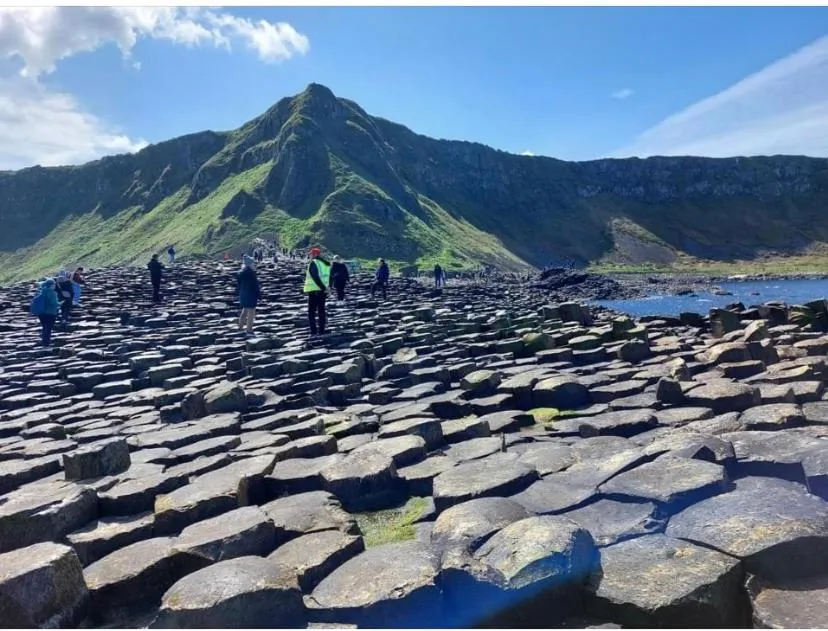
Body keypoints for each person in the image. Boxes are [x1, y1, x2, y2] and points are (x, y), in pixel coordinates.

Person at [304, 246, 331, 337]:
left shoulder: (314, 263)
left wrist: (323, 288)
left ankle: (313, 331)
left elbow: (315, 277)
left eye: (311, 254)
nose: (310, 256)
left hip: (314, 291)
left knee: (311, 312)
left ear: (314, 254)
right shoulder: (326, 264)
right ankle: (322, 330)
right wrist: (328, 288)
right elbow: (330, 277)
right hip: (323, 292)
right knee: (321, 311)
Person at [30, 278, 60, 347]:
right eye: (54, 284)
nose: (55, 285)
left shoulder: (41, 291)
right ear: (51, 285)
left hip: (41, 313)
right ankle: (46, 343)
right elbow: (54, 303)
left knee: (44, 327)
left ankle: (44, 341)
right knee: (48, 328)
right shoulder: (52, 292)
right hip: (50, 313)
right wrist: (60, 303)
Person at [237, 255, 261, 334]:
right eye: (252, 263)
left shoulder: (240, 273)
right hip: (251, 295)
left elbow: (239, 285)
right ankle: (249, 329)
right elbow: (255, 285)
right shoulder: (251, 273)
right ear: (249, 264)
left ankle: (240, 327)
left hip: (243, 294)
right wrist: (259, 295)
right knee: (251, 312)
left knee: (244, 311)